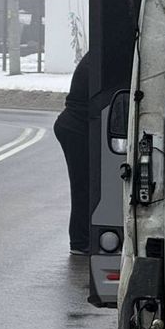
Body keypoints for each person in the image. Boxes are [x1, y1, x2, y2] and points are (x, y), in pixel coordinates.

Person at [54, 51, 92, 255]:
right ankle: (79, 242)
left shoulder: (97, 54)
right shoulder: (101, 57)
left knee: (85, 185)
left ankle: (83, 238)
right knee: (83, 185)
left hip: (75, 125)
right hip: (76, 128)